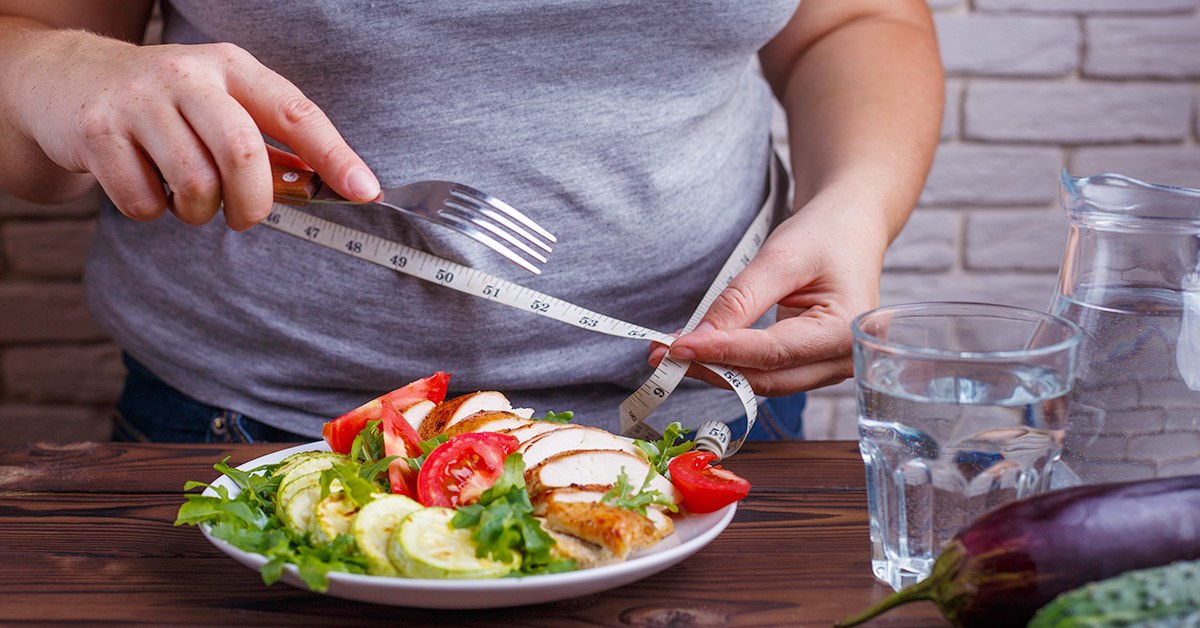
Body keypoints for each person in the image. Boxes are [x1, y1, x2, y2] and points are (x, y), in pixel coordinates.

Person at [0, 0, 943, 443]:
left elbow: (856, 20)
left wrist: (855, 204)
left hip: (707, 421)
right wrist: (64, 73)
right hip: (251, 427)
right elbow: (26, 72)